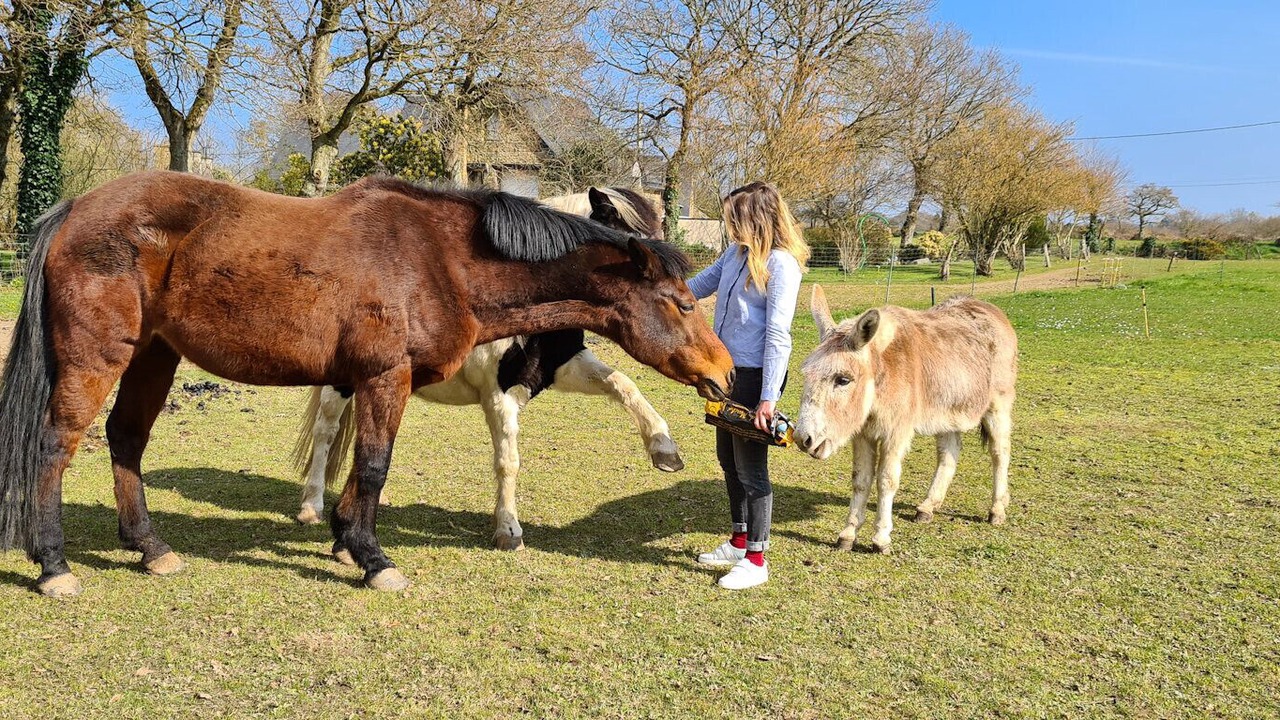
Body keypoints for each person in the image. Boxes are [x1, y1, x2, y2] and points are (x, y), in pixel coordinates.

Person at [686, 182, 807, 590]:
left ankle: (757, 559)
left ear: (754, 217)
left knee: (752, 469)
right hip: (727, 373)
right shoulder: (735, 254)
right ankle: (739, 540)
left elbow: (778, 335)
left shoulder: (782, 265)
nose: (728, 224)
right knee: (728, 459)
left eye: (733, 217)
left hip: (757, 377)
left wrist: (769, 399)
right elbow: (696, 287)